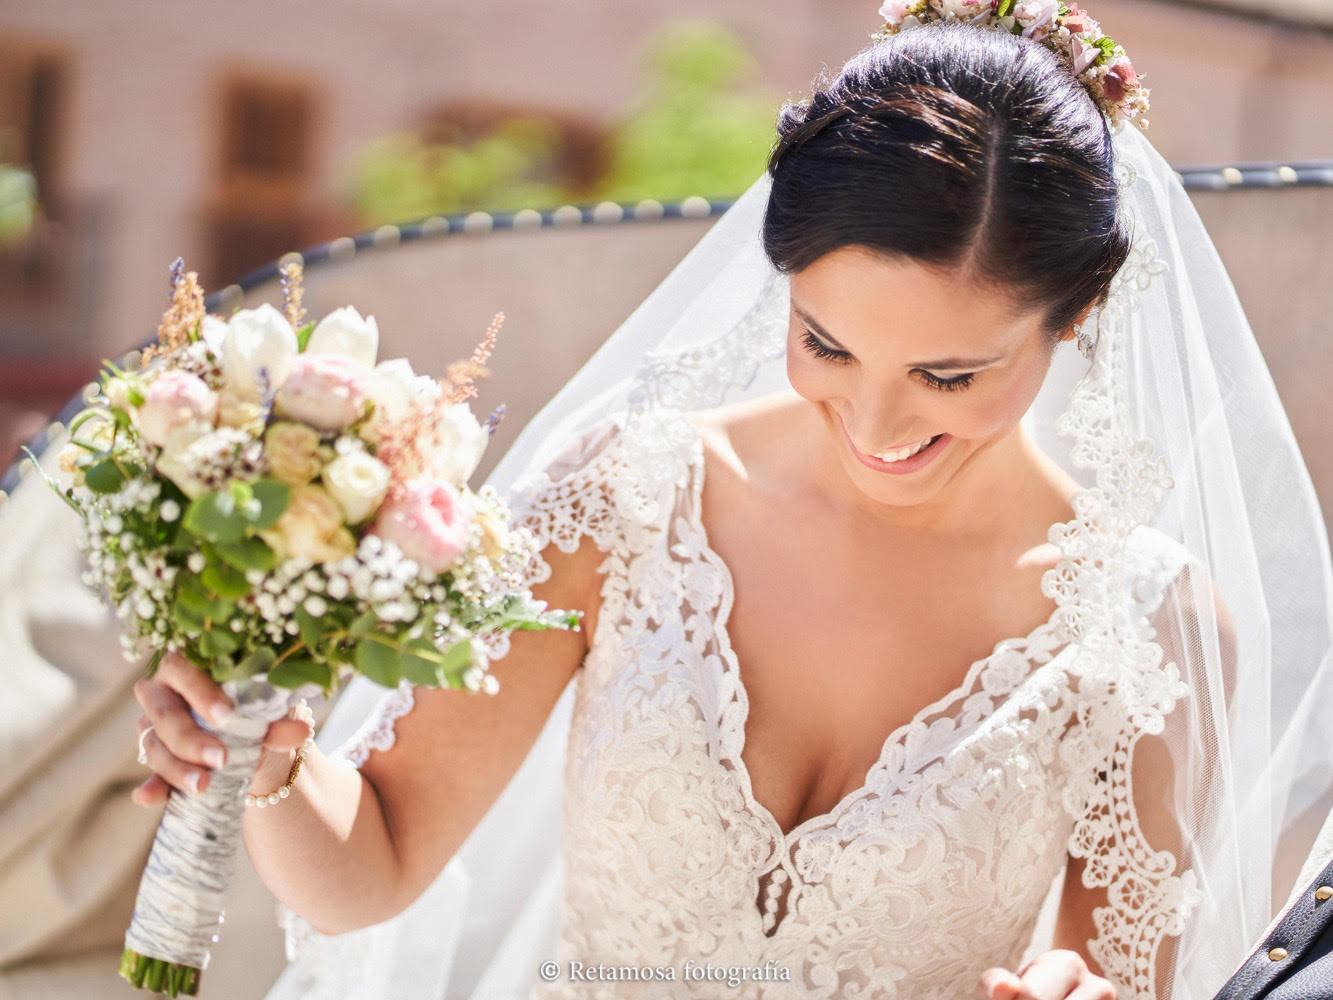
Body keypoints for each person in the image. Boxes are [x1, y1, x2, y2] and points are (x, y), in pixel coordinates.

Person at [129, 11, 1333, 1000]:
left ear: (1073, 319)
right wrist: (263, 761)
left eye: (949, 378)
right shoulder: (628, 498)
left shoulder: (1145, 630)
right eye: (825, 344)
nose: (873, 428)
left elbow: (1109, 971)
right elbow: (376, 858)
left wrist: (1073, 991)